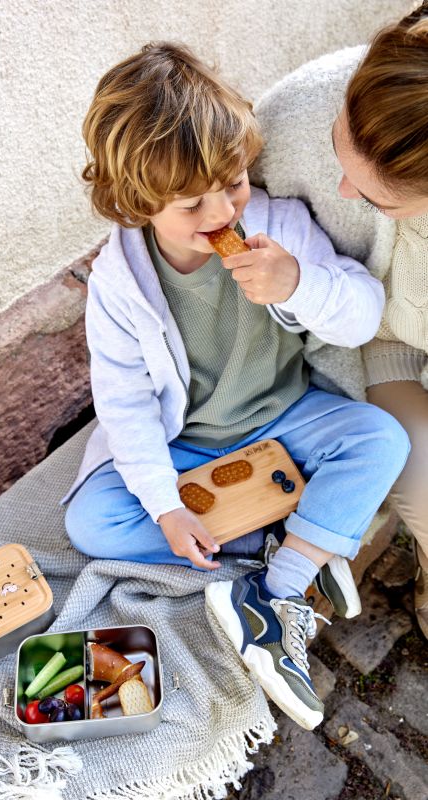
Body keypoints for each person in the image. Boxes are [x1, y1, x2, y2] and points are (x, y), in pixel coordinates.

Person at [62, 42, 410, 730]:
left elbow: (363, 312)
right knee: (91, 521)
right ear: (137, 204)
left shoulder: (276, 228)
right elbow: (125, 402)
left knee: (382, 439)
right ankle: (302, 544)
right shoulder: (120, 284)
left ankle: (274, 596)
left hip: (286, 417)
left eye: (234, 182)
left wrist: (299, 283)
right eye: (193, 203)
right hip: (189, 442)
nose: (223, 210)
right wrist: (164, 504)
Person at [253, 0, 428, 640]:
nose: (344, 193)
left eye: (379, 196)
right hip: (383, 345)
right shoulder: (307, 108)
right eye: (339, 144)